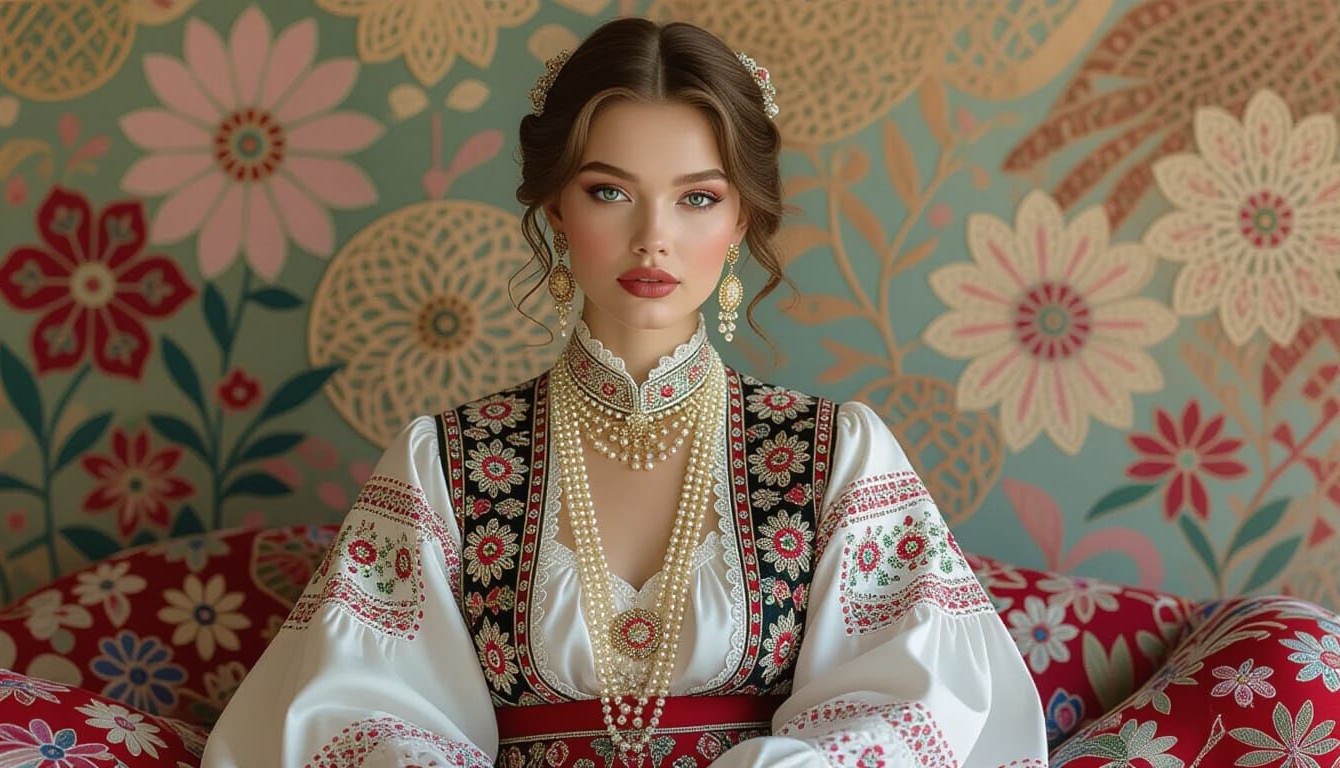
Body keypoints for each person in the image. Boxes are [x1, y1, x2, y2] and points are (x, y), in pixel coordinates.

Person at [201, 17, 1048, 768]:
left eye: (698, 199)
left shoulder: (835, 455)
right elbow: (361, 712)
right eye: (610, 191)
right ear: (557, 209)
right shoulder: (449, 463)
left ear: (741, 219)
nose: (653, 238)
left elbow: (918, 708)